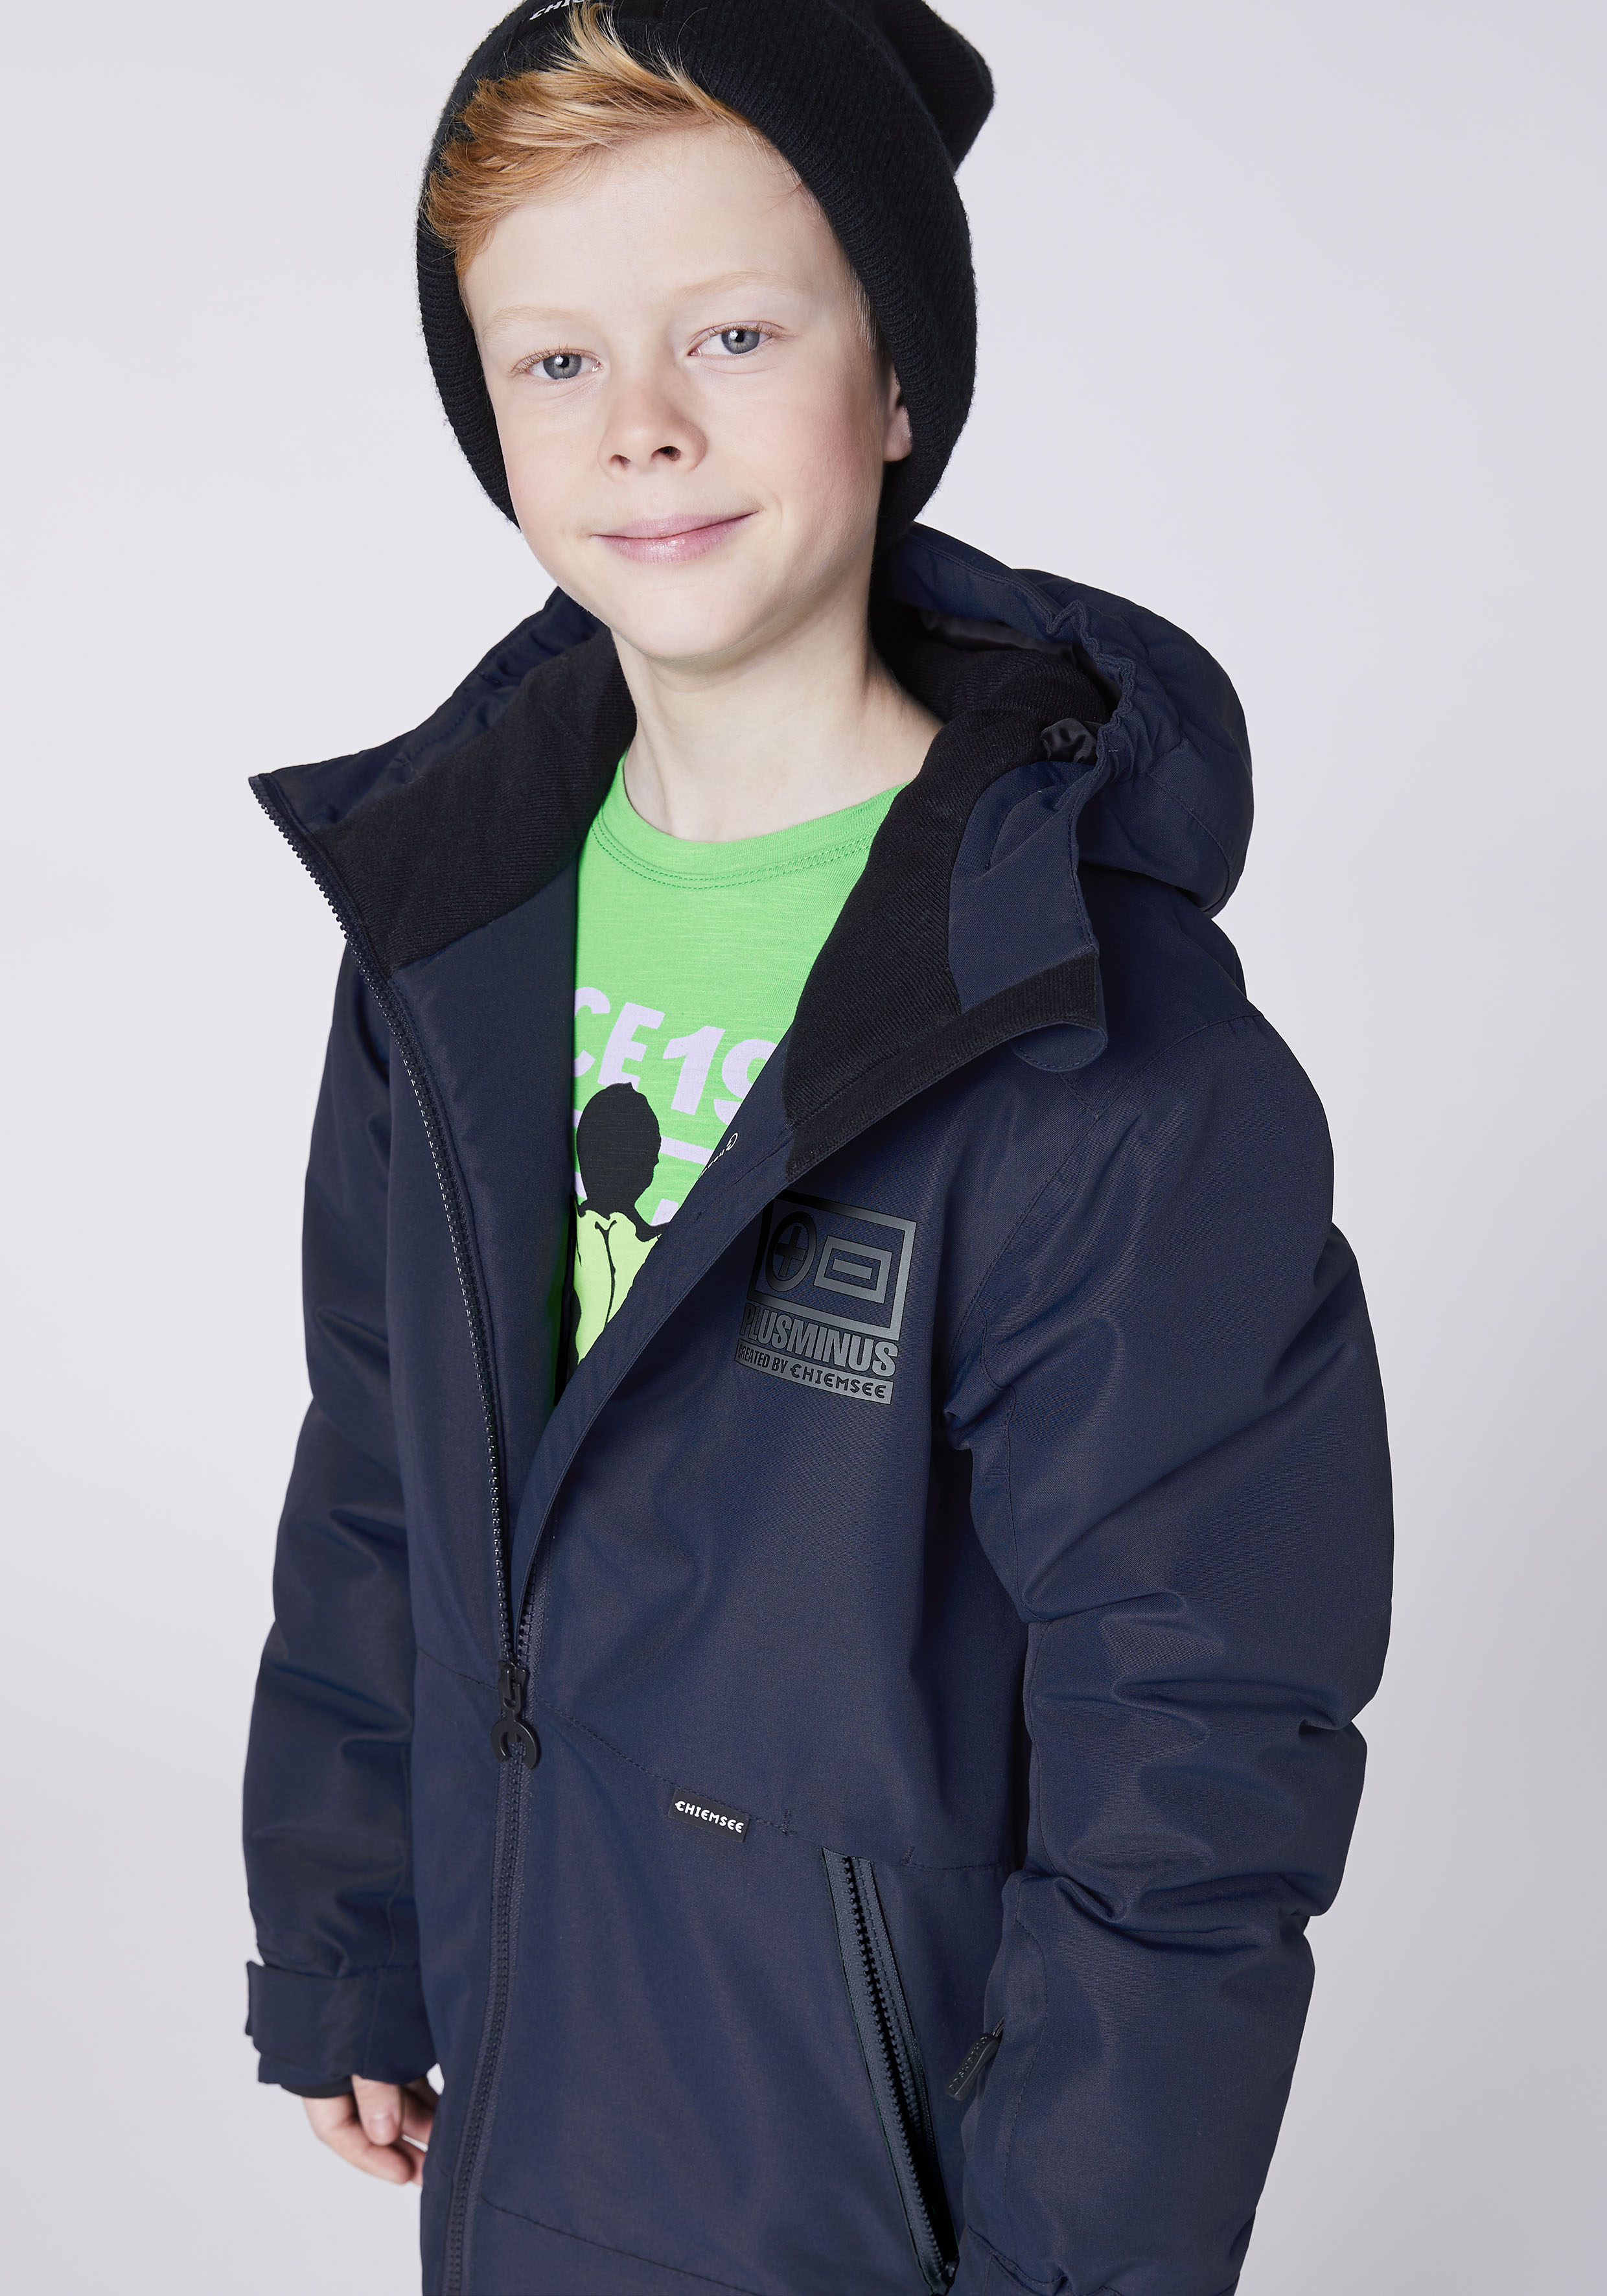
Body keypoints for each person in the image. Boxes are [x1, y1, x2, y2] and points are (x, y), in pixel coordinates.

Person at [242, 6, 1393, 2293]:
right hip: (529, 2112)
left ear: (895, 387)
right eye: (555, 360)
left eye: (736, 334)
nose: (643, 424)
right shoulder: (454, 939)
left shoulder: (1096, 1052)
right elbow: (381, 1469)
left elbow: (1194, 1772)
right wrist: (350, 1933)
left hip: (883, 2203)